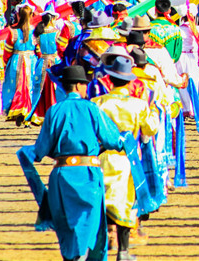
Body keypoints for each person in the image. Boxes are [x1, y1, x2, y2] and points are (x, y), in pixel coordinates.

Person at [29, 65, 125, 261]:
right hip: (88, 175)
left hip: (62, 175)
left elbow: (40, 151)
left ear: (64, 87)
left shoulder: (54, 111)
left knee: (66, 227)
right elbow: (112, 140)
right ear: (80, 86)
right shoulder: (92, 109)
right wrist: (125, 141)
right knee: (88, 225)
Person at [92, 55, 159, 261]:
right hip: (127, 159)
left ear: (109, 80)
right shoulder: (138, 105)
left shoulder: (97, 103)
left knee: (102, 200)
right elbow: (151, 128)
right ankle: (123, 251)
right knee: (126, 203)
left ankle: (100, 247)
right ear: (130, 81)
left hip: (101, 158)